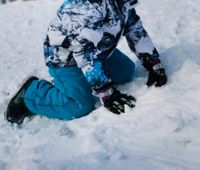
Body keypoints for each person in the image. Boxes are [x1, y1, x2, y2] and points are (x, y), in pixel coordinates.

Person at [5, 0, 167, 124]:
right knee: (79, 106)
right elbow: (86, 52)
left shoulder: (122, 2)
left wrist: (153, 63)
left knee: (126, 72)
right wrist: (106, 91)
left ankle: (88, 80)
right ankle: (32, 92)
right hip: (66, 59)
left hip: (99, 49)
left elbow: (135, 30)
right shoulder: (86, 9)